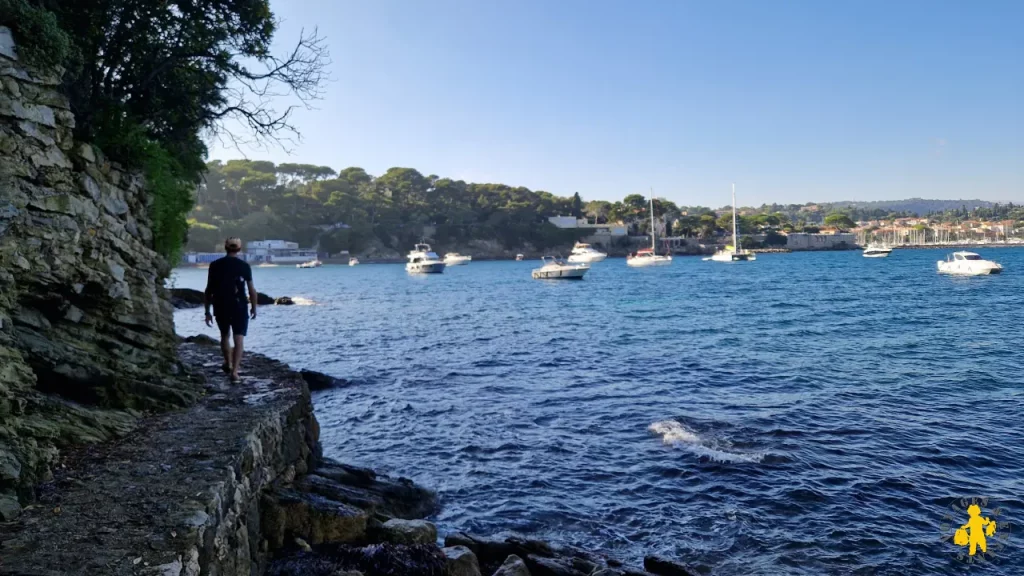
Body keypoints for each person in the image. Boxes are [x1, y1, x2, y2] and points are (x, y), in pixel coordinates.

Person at [204, 237, 257, 383]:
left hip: (220, 304)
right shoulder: (244, 266)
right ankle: (235, 372)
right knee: (238, 338)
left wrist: (207, 311)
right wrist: (254, 307)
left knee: (224, 335)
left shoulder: (215, 265)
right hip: (239, 305)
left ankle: (228, 362)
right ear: (239, 249)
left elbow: (209, 290)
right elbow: (252, 290)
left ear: (225, 248)